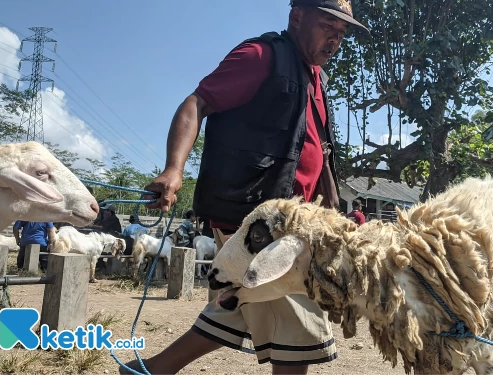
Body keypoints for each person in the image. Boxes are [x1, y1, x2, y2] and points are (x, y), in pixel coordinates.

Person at [120, 1, 369, 374]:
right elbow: (197, 103)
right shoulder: (260, 55)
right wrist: (173, 169)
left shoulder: (315, 77)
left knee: (238, 306)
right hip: (256, 219)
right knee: (301, 321)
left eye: (342, 32)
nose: (335, 38)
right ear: (297, 17)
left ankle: (149, 370)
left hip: (296, 219)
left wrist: (333, 213)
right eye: (327, 25)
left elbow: (320, 150)